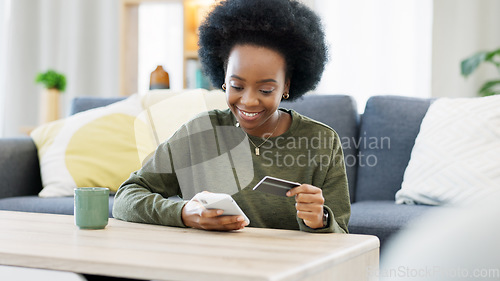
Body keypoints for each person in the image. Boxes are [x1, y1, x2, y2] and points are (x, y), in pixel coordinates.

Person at [113, 0, 350, 233]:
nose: (248, 101)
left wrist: (320, 220)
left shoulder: (322, 142)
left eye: (265, 90)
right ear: (224, 80)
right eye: (237, 86)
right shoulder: (200, 132)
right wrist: (185, 213)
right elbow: (126, 197)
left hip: (286, 268)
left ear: (286, 85)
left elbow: (342, 235)